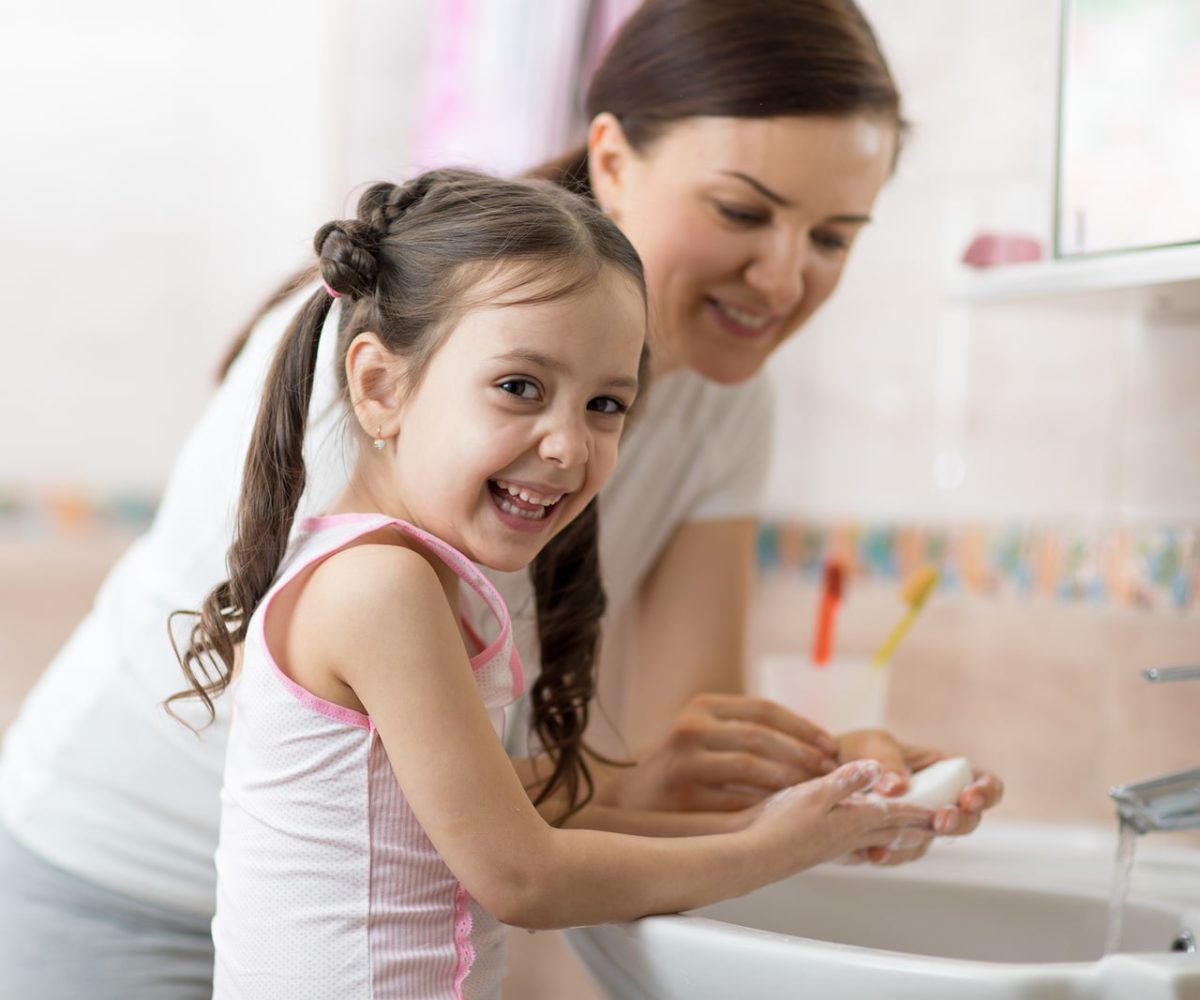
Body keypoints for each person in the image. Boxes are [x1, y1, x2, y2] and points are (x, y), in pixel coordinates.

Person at [0, 2, 1001, 997]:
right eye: (743, 211)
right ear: (611, 157)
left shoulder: (727, 406)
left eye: (833, 236)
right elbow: (496, 844)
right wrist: (763, 834)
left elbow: (666, 744)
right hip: (108, 884)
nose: (784, 276)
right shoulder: (404, 368)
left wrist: (831, 785)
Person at [186, 167, 935, 998]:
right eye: (520, 388)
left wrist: (815, 817)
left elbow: (502, 812)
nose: (570, 447)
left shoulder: (403, 577)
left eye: (606, 405)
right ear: (380, 386)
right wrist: (780, 847)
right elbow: (523, 876)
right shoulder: (377, 588)